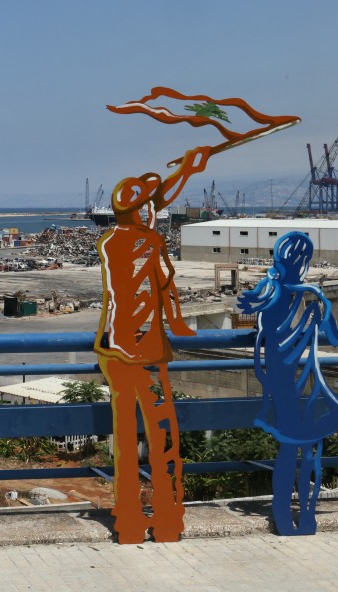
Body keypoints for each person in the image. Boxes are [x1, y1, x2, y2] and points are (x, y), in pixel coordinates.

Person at [94, 146, 210, 545]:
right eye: (146, 207)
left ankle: (127, 518)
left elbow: (155, 200)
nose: (151, 210)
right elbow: (167, 287)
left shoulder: (110, 243)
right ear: (140, 211)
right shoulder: (150, 243)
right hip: (146, 351)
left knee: (125, 442)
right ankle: (167, 518)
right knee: (162, 440)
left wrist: (185, 174)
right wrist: (177, 323)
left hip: (112, 350)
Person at [240, 231, 338, 536]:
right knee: (304, 446)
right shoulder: (297, 290)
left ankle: (295, 513)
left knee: (297, 447)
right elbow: (336, 335)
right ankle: (301, 514)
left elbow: (255, 310)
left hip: (285, 373)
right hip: (290, 375)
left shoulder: (287, 289)